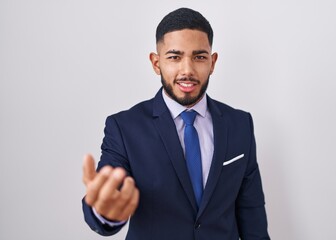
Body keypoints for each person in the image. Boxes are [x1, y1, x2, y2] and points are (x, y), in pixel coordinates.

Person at [82, 7, 270, 240]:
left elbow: (251, 214)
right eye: (174, 57)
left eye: (199, 57)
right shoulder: (124, 128)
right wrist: (106, 212)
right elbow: (109, 194)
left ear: (212, 62)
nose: (187, 70)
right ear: (156, 62)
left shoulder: (240, 124)